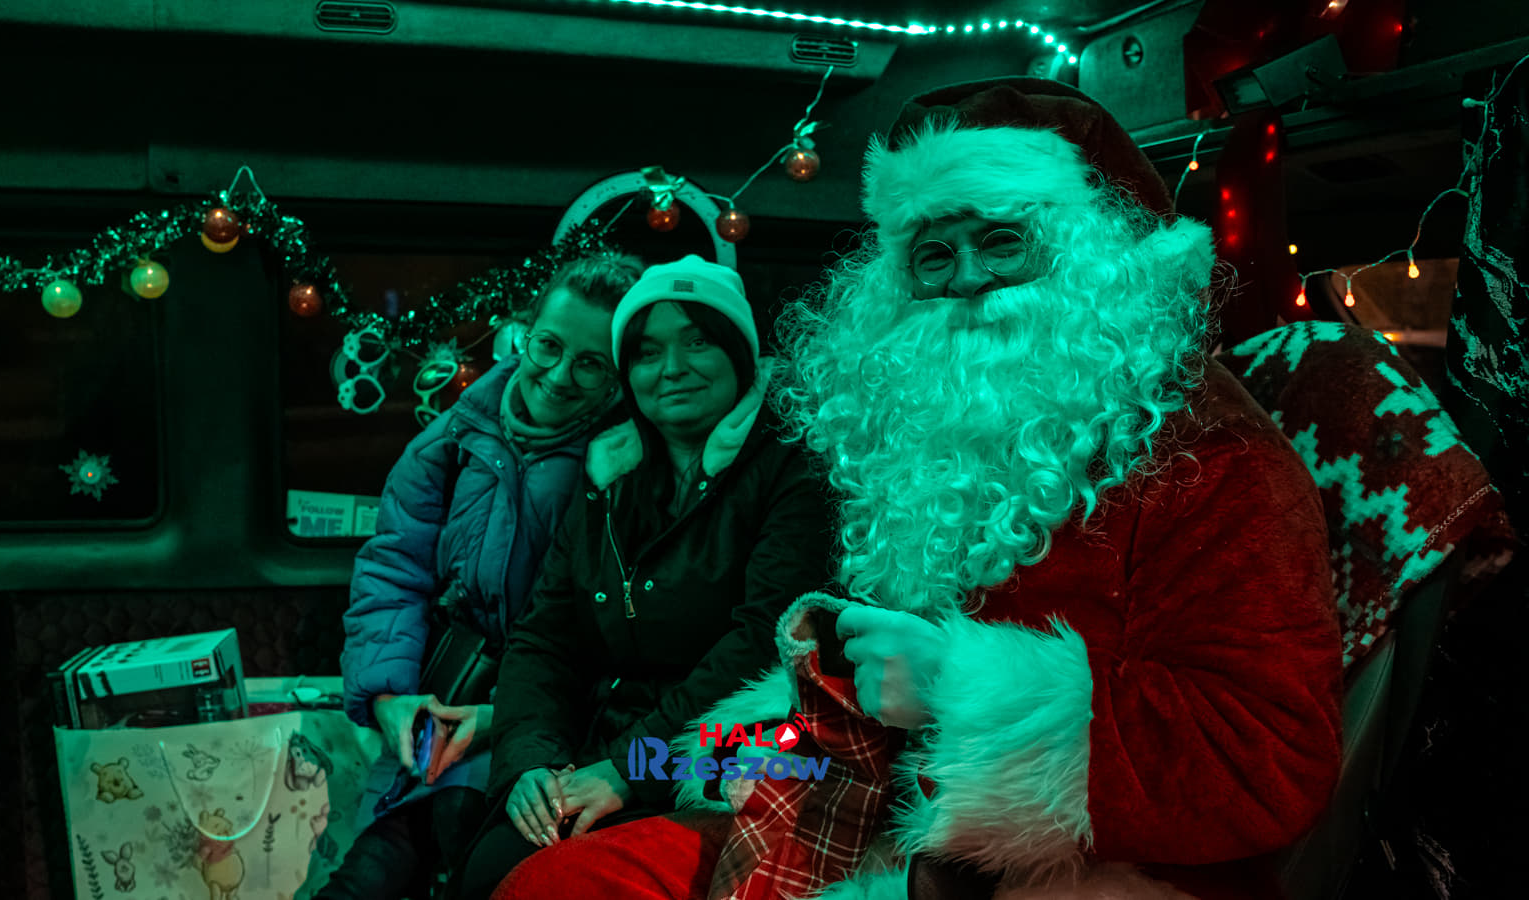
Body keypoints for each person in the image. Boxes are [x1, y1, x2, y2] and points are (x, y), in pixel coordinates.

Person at [490, 78, 1343, 900]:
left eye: (1002, 241)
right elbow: (819, 707)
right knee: (548, 879)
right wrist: (658, 766)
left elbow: (1269, 758)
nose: (966, 278)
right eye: (934, 255)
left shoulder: (1210, 455)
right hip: (850, 800)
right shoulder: (896, 452)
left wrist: (958, 688)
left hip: (1081, 860)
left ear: (1092, 258)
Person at [442, 254, 835, 900]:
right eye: (647, 353)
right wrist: (531, 764)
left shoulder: (790, 466)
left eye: (698, 342)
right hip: (600, 748)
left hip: (727, 754)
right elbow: (543, 638)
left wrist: (630, 767)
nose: (672, 368)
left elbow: (764, 638)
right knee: (486, 866)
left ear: (740, 353)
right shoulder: (608, 476)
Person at [321, 251, 643, 900]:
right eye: (548, 345)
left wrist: (507, 716)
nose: (559, 376)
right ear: (524, 330)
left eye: (590, 363)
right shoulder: (453, 438)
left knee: (460, 836)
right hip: (444, 691)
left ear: (618, 374)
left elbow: (617, 633)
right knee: (374, 868)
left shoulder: (626, 463)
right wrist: (389, 698)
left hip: (550, 716)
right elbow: (394, 567)